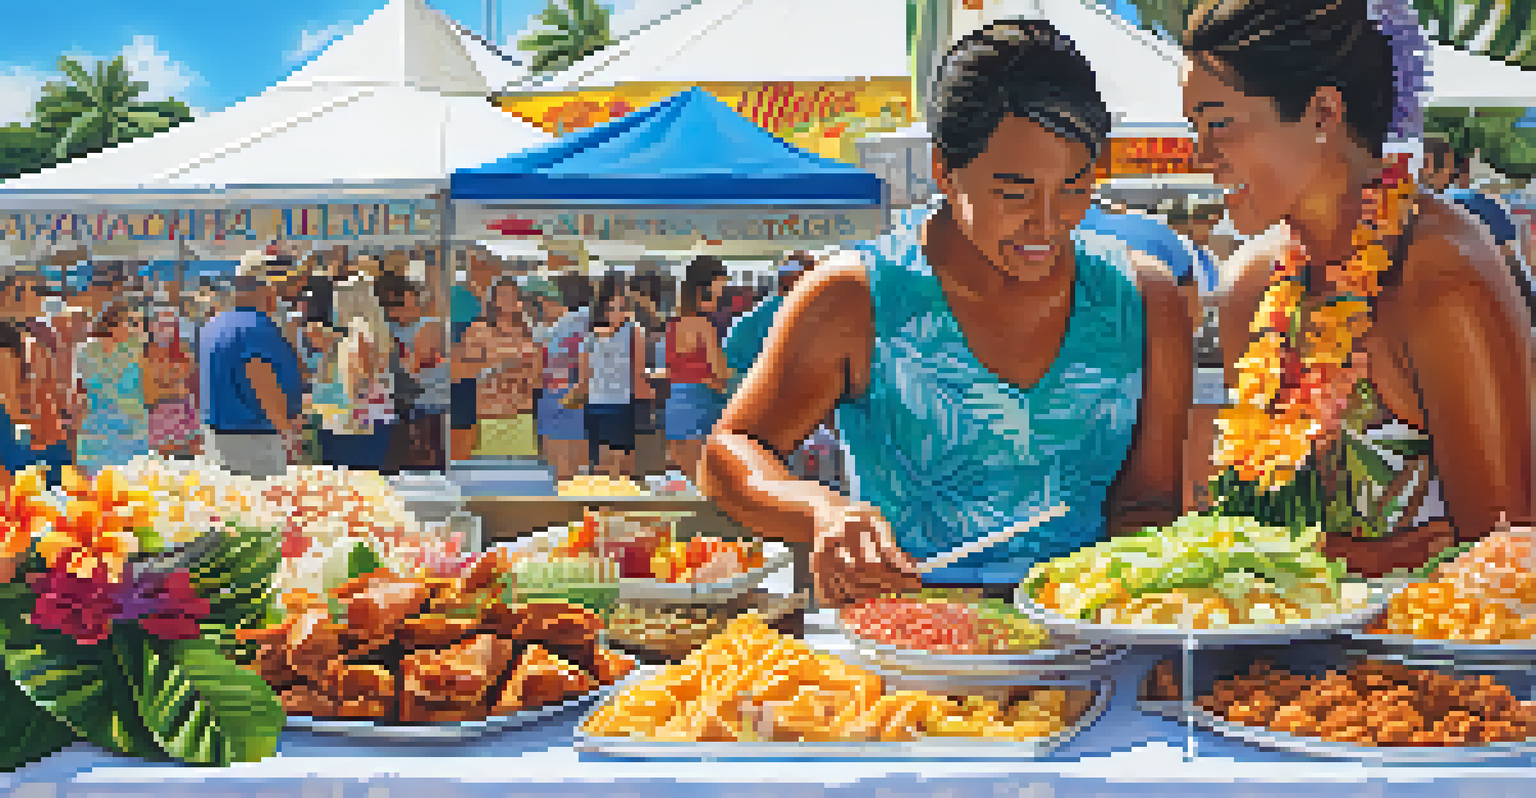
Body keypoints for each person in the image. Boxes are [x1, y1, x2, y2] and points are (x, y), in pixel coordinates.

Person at [701, 20, 1192, 607]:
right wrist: (821, 510)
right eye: (1014, 191)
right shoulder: (854, 297)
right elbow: (729, 453)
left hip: (1093, 648)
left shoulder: (1144, 297)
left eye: (1073, 187)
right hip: (909, 655)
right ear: (944, 169)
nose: (1048, 220)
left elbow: (1147, 505)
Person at [1182, 0, 1533, 577]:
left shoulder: (1444, 277)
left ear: (1323, 112)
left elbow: (1507, 551)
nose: (1202, 159)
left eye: (1220, 124)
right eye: (1195, 127)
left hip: (1428, 663)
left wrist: (1331, 561)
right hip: (1260, 661)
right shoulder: (1250, 286)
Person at [199, 255, 304, 479]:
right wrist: (288, 433)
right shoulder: (256, 328)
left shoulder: (213, 324)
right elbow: (260, 380)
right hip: (253, 442)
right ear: (267, 289)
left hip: (218, 438)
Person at [458, 281, 544, 459]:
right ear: (494, 301)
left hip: (522, 416)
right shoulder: (477, 331)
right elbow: (468, 371)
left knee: (523, 476)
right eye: (504, 296)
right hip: (487, 417)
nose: (509, 301)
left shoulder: (529, 334)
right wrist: (508, 364)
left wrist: (506, 366)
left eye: (513, 296)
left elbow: (536, 379)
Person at [319, 275, 396, 471]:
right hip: (374, 414)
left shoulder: (358, 331)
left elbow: (361, 376)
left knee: (350, 481)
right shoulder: (376, 330)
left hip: (355, 417)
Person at [666, 257, 731, 484]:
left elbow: (674, 368)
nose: (720, 298)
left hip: (675, 403)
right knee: (705, 481)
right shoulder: (704, 326)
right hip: (702, 402)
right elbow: (720, 373)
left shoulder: (674, 324)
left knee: (682, 481)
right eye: (717, 291)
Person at [378, 273, 449, 472]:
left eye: (403, 301)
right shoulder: (386, 328)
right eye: (392, 304)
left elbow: (413, 366)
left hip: (430, 404)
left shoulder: (431, 325)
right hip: (399, 406)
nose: (397, 309)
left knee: (430, 459)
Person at [580, 275, 644, 478]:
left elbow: (584, 377)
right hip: (612, 404)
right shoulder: (632, 331)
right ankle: (607, 506)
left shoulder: (591, 334)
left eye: (620, 306)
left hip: (608, 404)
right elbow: (638, 374)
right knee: (613, 465)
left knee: (608, 463)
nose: (617, 311)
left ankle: (605, 506)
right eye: (614, 306)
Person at [534, 276, 591, 479]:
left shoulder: (546, 330)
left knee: (556, 471)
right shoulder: (589, 320)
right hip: (580, 395)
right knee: (579, 472)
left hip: (552, 394)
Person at [144, 303, 201, 459]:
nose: (166, 328)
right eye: (161, 323)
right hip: (156, 425)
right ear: (151, 326)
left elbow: (191, 390)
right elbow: (149, 395)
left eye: (170, 323)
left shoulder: (184, 352)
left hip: (185, 423)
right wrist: (175, 388)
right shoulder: (142, 354)